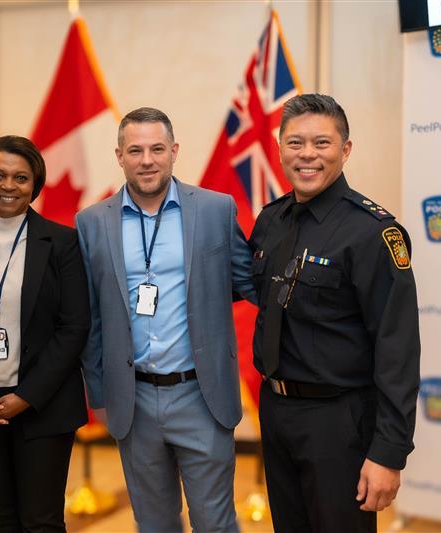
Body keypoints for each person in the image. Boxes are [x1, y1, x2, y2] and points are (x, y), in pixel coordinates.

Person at [75, 107, 255, 532]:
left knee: (214, 521)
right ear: (119, 156)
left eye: (157, 149)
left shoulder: (215, 209)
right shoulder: (92, 222)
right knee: (153, 523)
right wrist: (100, 394)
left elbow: (248, 282)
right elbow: (91, 317)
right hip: (132, 399)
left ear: (174, 151)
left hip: (201, 394)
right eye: (135, 150)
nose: (147, 160)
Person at [249, 93, 420, 532]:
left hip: (339, 422)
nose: (308, 155)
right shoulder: (270, 220)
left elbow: (397, 352)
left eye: (322, 143)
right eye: (295, 143)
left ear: (345, 150)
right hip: (276, 409)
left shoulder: (372, 233)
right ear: (280, 148)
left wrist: (388, 453)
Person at [0, 136, 90, 532]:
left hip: (45, 407)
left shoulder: (62, 242)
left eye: (21, 177)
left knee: (41, 521)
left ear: (35, 184)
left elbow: (74, 327)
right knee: (0, 518)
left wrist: (24, 398)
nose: (9, 185)